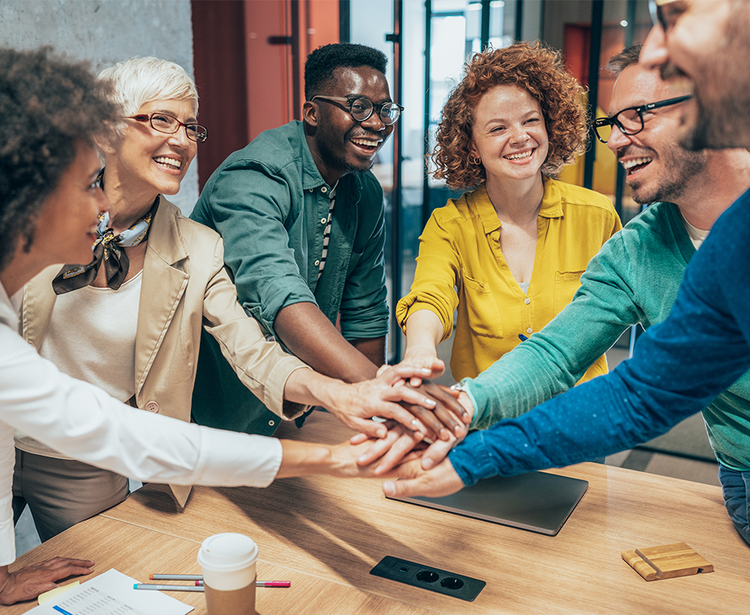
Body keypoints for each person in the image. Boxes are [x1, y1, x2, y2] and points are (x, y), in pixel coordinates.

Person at [0, 46, 417, 604]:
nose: (180, 140)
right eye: (160, 120)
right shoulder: (34, 236)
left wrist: (342, 396)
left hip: (85, 462)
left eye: (190, 126)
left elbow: (253, 351)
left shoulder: (197, 248)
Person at [382, 0, 750, 547]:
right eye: (613, 124)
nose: (619, 140)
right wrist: (464, 416)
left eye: (638, 117)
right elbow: (605, 377)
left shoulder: (599, 215)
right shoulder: (639, 251)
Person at [190, 43, 466, 437]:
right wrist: (382, 390)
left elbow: (366, 309)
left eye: (385, 110)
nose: (376, 123)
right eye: (357, 107)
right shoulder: (253, 177)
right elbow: (278, 294)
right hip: (213, 412)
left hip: (299, 407)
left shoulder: (364, 190)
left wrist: (380, 414)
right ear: (312, 113)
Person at [395, 43, 620, 383]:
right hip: (489, 422)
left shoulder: (596, 215)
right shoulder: (451, 225)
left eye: (531, 121)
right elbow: (430, 296)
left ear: (550, 126)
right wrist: (420, 349)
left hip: (580, 421)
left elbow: (633, 299)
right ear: (471, 144)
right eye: (498, 128)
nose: (520, 137)